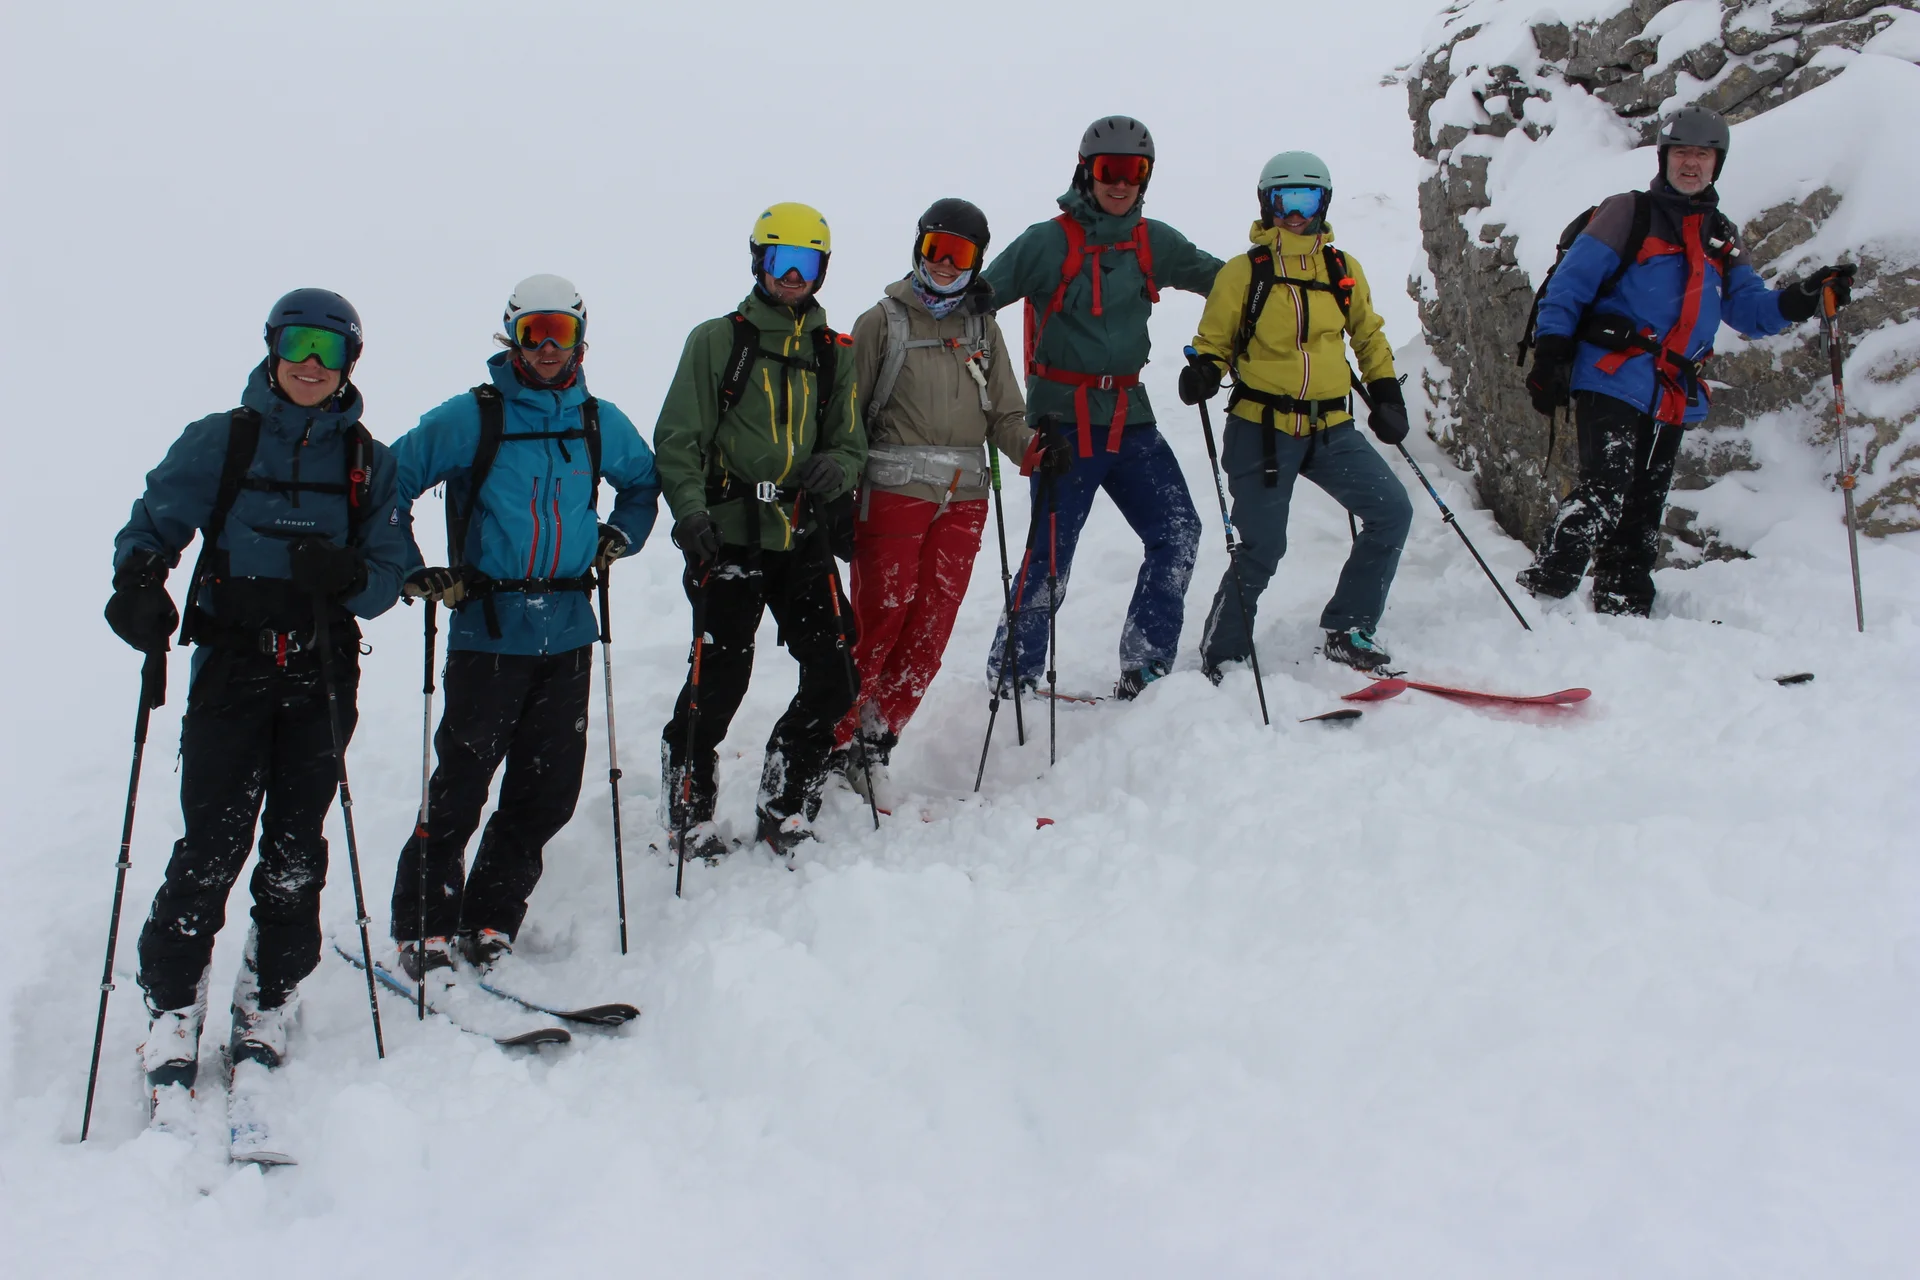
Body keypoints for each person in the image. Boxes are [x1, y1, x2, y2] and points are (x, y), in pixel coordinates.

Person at [107, 289, 412, 1117]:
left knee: (293, 848)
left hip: (320, 676)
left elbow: (390, 574)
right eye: (298, 343)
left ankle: (269, 996)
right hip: (232, 669)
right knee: (210, 844)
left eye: (329, 349)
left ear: (349, 362)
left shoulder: (368, 462)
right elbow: (153, 524)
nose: (311, 363)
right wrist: (138, 581)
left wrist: (351, 575)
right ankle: (173, 1007)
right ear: (273, 348)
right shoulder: (224, 439)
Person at [387, 275, 659, 984]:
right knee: (461, 784)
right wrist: (414, 568)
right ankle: (424, 924)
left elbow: (642, 482)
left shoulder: (598, 421)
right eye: (533, 331)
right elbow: (390, 480)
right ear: (511, 335)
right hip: (488, 630)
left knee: (546, 791)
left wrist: (620, 536)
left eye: (559, 331)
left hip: (568, 631)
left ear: (580, 338)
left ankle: (491, 918)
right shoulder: (471, 417)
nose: (545, 346)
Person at [1518, 104, 1856, 616]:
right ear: (1664, 158)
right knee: (1606, 487)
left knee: (1644, 504)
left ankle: (1623, 604)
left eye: (1702, 155)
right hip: (1612, 373)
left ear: (1717, 163)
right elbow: (1570, 285)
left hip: (1671, 389)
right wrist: (1551, 355)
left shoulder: (1721, 235)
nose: (1691, 164)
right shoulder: (1628, 213)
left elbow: (1749, 311)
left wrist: (1801, 298)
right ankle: (1545, 591)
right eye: (1681, 153)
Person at [831, 199, 1071, 808]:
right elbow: (846, 420)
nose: (944, 263)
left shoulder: (982, 329)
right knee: (879, 620)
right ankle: (832, 743)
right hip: (894, 490)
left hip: (963, 499)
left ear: (976, 261)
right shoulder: (881, 323)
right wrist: (836, 494)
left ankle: (876, 743)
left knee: (931, 628)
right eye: (935, 248)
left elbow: (1006, 415)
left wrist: (1035, 448)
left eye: (959, 254)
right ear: (918, 248)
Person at [980, 116, 1223, 701]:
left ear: (1145, 178)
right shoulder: (1047, 242)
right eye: (1108, 169)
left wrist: (1265, 298)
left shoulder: (1153, 241)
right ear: (1086, 173)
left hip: (1130, 417)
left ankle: (1146, 665)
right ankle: (1013, 673)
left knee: (1178, 532)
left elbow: (1226, 283)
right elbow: (976, 301)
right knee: (1050, 555)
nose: (1120, 182)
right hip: (1063, 424)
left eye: (1133, 171)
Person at [654, 203, 866, 859]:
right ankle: (688, 812)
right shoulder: (719, 341)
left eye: (806, 263)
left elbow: (850, 441)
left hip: (799, 532)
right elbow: (678, 438)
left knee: (835, 670)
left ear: (822, 270)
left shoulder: (833, 353)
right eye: (781, 261)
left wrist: (839, 466)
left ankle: (784, 796)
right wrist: (691, 513)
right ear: (759, 262)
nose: (793, 276)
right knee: (718, 678)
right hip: (729, 531)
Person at [1185, 151, 1413, 674]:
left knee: (1391, 511)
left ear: (1322, 203)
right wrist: (1205, 370)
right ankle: (1223, 652)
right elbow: (1214, 342)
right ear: (1266, 203)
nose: (1294, 213)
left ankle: (1350, 627)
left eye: (1306, 200)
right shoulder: (1244, 272)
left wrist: (1386, 393)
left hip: (1331, 426)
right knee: (1262, 547)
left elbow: (1368, 335)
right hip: (1261, 427)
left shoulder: (1342, 268)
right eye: (1283, 199)